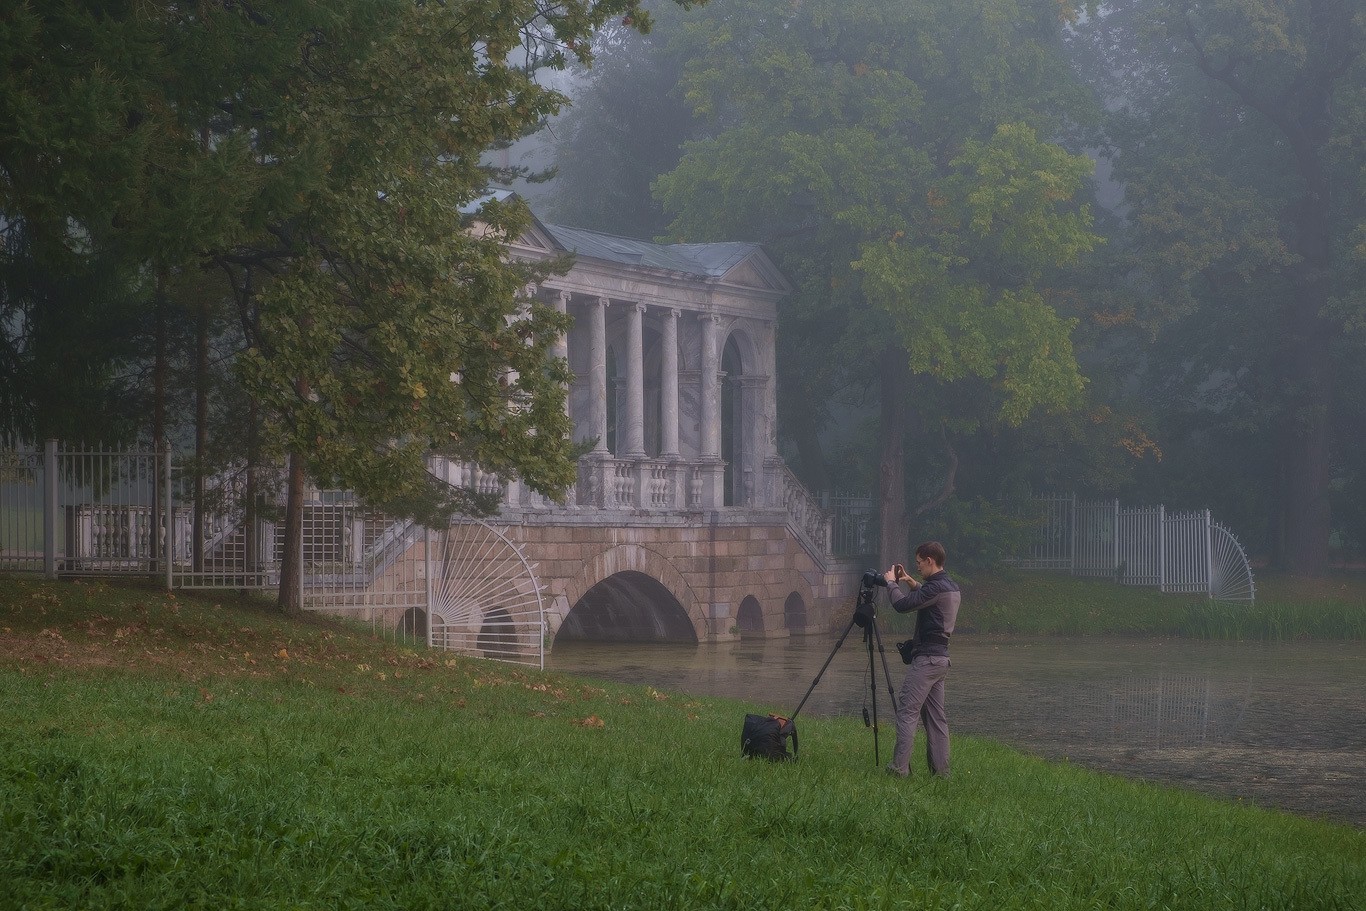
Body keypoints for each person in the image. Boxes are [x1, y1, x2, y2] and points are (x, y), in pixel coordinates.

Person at [882, 541, 960, 778]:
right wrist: (909, 582)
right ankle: (941, 772)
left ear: (930, 560)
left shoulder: (934, 588)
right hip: (941, 660)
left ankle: (899, 769)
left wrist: (891, 583)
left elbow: (902, 605)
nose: (917, 567)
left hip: (926, 661)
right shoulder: (950, 585)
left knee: (907, 712)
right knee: (937, 719)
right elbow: (927, 596)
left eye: (918, 563)